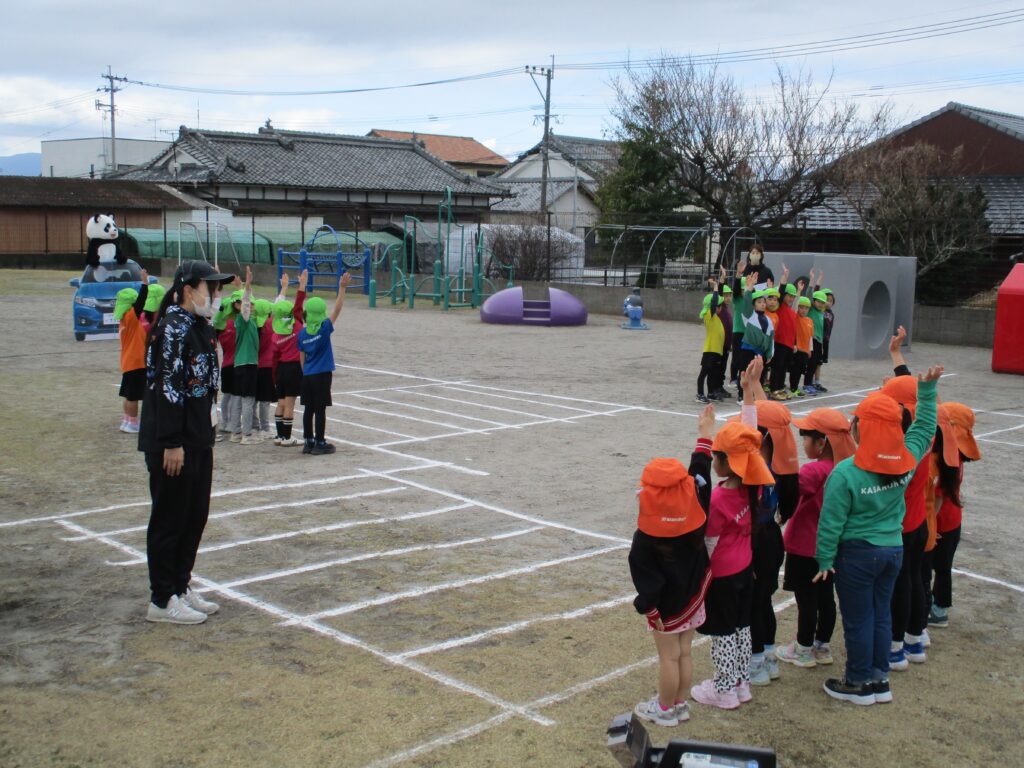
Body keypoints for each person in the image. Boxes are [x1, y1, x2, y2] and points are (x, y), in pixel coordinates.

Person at [814, 364, 943, 706]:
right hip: (892, 550)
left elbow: (831, 522)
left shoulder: (845, 473)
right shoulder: (906, 460)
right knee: (881, 614)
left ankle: (858, 683)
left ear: (861, 427)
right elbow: (925, 427)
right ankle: (879, 679)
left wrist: (825, 559)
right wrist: (927, 392)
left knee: (858, 619)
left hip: (857, 555)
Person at [139, 260, 234, 624]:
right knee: (170, 518)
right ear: (188, 290)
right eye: (211, 288)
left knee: (195, 515)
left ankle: (180, 585)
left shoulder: (200, 327)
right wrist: (171, 441)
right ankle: (162, 599)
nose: (216, 295)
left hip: (198, 436)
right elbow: (166, 386)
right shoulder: (171, 329)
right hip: (173, 442)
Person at [691, 359, 776, 710]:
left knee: (723, 633)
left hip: (724, 575)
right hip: (745, 570)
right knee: (742, 627)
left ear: (724, 462)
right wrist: (748, 393)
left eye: (716, 456)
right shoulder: (753, 486)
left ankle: (724, 689)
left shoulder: (720, 498)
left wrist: (702, 573)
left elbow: (709, 542)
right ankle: (741, 683)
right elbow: (750, 442)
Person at [630, 404, 716, 727]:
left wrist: (649, 608)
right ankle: (680, 704)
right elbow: (701, 473)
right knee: (685, 652)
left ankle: (665, 709)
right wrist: (705, 436)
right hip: (693, 595)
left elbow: (645, 579)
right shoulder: (696, 508)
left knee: (668, 656)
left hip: (666, 607)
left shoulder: (645, 538)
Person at [776, 408, 855, 668]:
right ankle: (822, 645)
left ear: (821, 443)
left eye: (806, 439)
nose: (803, 444)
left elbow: (787, 488)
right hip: (830, 547)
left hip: (804, 547)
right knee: (825, 597)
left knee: (806, 600)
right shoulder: (845, 469)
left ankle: (803, 648)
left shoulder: (814, 471)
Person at [928, 402, 981, 628]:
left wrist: (929, 527)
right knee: (943, 568)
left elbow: (938, 497)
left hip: (941, 522)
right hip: (952, 521)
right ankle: (937, 606)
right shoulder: (956, 453)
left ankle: (937, 611)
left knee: (932, 567)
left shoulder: (947, 458)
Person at [298, 271, 353, 455]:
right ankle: (320, 442)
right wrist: (342, 288)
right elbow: (337, 309)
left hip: (307, 375)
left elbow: (302, 357)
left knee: (308, 409)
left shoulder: (302, 333)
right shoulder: (323, 328)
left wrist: (305, 372)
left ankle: (308, 441)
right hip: (322, 375)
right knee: (320, 409)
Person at [271, 269, 307, 447]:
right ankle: (287, 437)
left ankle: (279, 436)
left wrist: (274, 378)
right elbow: (299, 305)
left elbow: (274, 358)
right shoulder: (296, 325)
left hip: (281, 369)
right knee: (290, 404)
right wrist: (302, 285)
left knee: (281, 403)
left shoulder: (275, 333)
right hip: (294, 367)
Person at [114, 270, 149, 434]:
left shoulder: (123, 319)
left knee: (128, 395)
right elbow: (141, 302)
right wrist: (145, 284)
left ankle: (127, 420)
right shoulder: (130, 317)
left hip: (128, 362)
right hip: (136, 362)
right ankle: (133, 423)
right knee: (133, 395)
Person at [734, 272, 774, 404]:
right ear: (753, 304)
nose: (762, 304)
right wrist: (750, 288)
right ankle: (742, 396)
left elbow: (771, 339)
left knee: (759, 375)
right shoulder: (749, 316)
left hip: (761, 353)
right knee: (745, 372)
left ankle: (757, 397)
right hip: (748, 350)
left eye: (764, 302)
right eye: (759, 302)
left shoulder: (769, 320)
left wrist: (769, 353)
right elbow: (746, 301)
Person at [232, 266, 261, 445]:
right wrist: (247, 285)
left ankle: (236, 432)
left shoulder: (249, 322)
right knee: (248, 400)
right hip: (247, 364)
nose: (252, 306)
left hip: (241, 364)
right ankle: (246, 434)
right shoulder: (243, 320)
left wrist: (242, 287)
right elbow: (244, 306)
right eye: (250, 304)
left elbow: (244, 305)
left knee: (239, 399)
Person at [696, 274, 727, 404]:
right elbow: (714, 302)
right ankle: (699, 394)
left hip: (716, 351)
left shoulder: (716, 318)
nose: (721, 307)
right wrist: (715, 287)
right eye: (720, 306)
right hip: (710, 350)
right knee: (704, 372)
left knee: (712, 373)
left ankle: (710, 393)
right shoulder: (709, 315)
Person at [789, 295, 813, 398]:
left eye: (806, 308)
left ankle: (795, 388)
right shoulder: (796, 318)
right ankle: (793, 389)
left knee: (800, 371)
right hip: (797, 350)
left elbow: (810, 337)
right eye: (801, 307)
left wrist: (810, 349)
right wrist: (798, 293)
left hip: (805, 351)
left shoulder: (810, 321)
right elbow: (793, 307)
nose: (803, 310)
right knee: (795, 370)